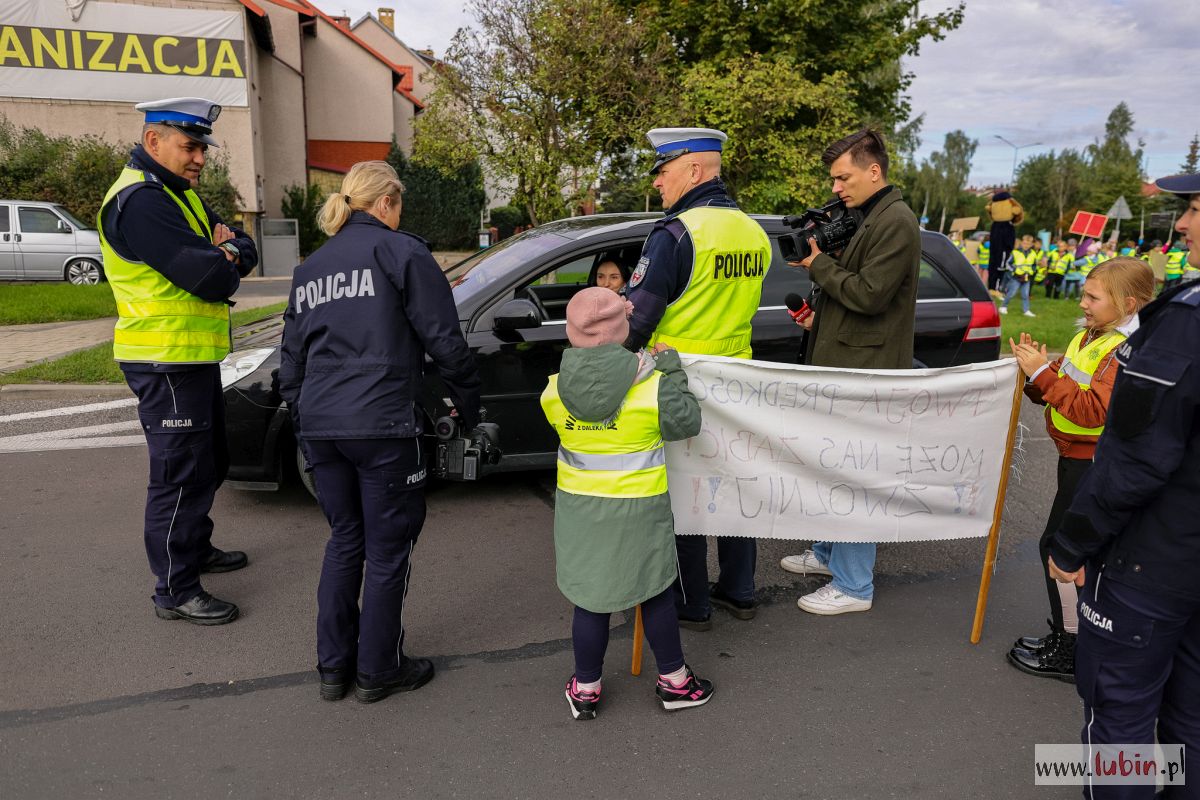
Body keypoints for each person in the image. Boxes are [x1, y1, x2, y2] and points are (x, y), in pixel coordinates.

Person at [277, 161, 482, 703]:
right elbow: (444, 340)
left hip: (324, 426)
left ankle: (333, 668)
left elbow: (291, 362)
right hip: (384, 424)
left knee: (345, 540)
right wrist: (467, 401)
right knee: (389, 551)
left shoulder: (311, 268)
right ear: (387, 202)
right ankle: (379, 670)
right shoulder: (404, 253)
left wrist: (304, 420)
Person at [1046, 173, 1199, 800]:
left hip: (1156, 562)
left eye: (1193, 209)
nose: (1183, 226)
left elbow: (1139, 456)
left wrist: (1072, 542)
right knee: (1189, 721)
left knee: (1123, 721)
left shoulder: (1185, 323)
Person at [98, 97, 258, 625]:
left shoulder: (177, 193)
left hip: (191, 357)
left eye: (202, 148)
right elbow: (211, 276)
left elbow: (245, 249)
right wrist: (224, 254)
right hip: (163, 359)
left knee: (208, 461)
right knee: (180, 475)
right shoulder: (142, 202)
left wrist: (229, 250)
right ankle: (176, 588)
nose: (200, 159)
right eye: (190, 147)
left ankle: (195, 548)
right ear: (153, 141)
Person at [541, 287, 714, 720]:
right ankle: (675, 682)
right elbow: (688, 421)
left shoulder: (553, 391)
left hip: (581, 516)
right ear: (623, 330)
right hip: (640, 510)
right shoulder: (653, 386)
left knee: (590, 599)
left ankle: (585, 688)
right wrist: (670, 367)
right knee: (653, 594)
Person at [625, 127, 771, 631]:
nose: (658, 184)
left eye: (662, 171)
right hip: (738, 381)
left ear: (693, 169)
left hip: (680, 384)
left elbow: (636, 319)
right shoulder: (753, 231)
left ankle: (691, 604)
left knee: (684, 494)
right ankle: (741, 590)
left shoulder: (675, 234)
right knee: (734, 486)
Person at [779, 128, 921, 615]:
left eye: (843, 177)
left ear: (874, 170)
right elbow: (856, 299)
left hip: (866, 373)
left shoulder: (896, 220)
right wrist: (820, 320)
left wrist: (818, 266)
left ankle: (854, 585)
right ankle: (827, 554)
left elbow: (870, 294)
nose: (836, 188)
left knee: (855, 475)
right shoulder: (869, 216)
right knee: (831, 467)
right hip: (847, 362)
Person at [1006, 257, 1154, 682]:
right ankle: (1072, 638)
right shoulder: (1093, 334)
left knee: (1061, 550)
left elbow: (1095, 411)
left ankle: (1072, 647)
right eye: (1084, 293)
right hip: (1074, 456)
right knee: (1070, 549)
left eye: (1093, 296)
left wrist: (1043, 375)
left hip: (1092, 462)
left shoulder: (1125, 349)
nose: (1083, 302)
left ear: (1127, 303)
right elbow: (1066, 391)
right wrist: (1038, 376)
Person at [985, 189, 1024, 292]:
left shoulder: (994, 225)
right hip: (1003, 249)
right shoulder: (1008, 226)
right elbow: (1009, 242)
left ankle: (992, 287)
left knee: (993, 264)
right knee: (1000, 266)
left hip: (995, 248)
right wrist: (1009, 248)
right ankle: (996, 288)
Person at [1000, 234, 1037, 317]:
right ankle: (1003, 307)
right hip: (1016, 277)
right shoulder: (1015, 252)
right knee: (1011, 293)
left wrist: (1032, 271)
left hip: (1027, 276)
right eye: (1024, 243)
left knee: (1025, 294)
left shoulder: (1033, 253)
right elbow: (1008, 263)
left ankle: (1026, 310)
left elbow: (1034, 264)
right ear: (1021, 243)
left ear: (1031, 244)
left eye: (1028, 244)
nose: (1026, 245)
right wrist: (1014, 270)